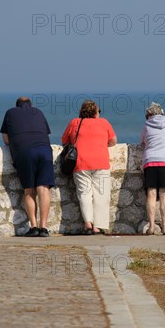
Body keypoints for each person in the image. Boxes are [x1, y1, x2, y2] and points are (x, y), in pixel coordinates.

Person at [0, 96, 54, 237]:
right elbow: (45, 133)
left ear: (17, 105)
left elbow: (6, 140)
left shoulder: (10, 113)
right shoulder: (39, 112)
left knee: (29, 190)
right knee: (43, 189)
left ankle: (34, 227)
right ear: (31, 105)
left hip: (24, 153)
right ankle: (44, 228)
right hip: (45, 151)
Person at [62, 100, 117, 235]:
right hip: (101, 162)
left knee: (84, 194)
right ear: (95, 112)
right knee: (101, 194)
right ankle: (98, 226)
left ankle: (88, 223)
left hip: (81, 163)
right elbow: (113, 141)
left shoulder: (75, 122)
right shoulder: (104, 123)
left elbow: (64, 141)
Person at [140, 102, 165, 235]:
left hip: (150, 161)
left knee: (151, 193)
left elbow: (142, 142)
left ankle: (151, 227)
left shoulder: (147, 125)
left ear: (149, 115)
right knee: (164, 194)